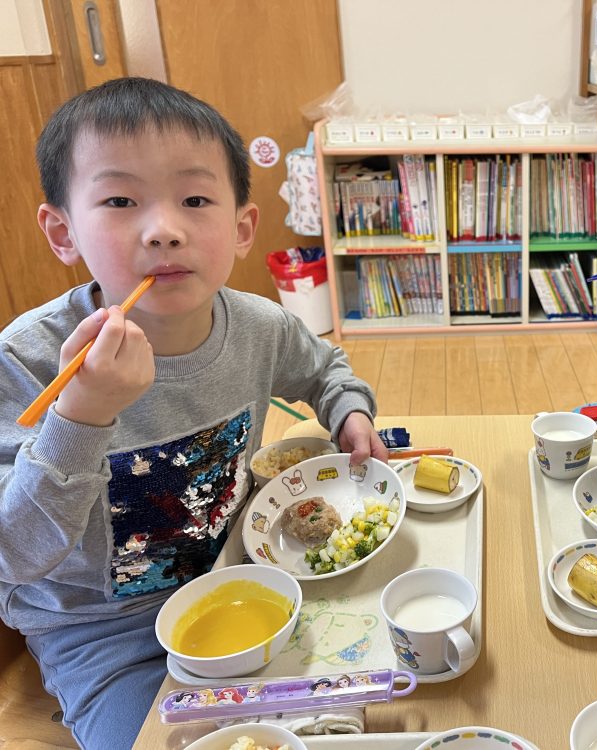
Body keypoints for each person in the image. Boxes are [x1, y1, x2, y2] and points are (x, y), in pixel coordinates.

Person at [0, 77, 388, 749]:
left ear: (241, 228)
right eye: (120, 200)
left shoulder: (261, 326)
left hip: (245, 574)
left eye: (195, 200)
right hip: (108, 638)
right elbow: (13, 554)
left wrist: (349, 412)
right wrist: (81, 416)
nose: (164, 231)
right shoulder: (27, 360)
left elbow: (325, 369)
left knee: (359, 712)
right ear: (63, 231)